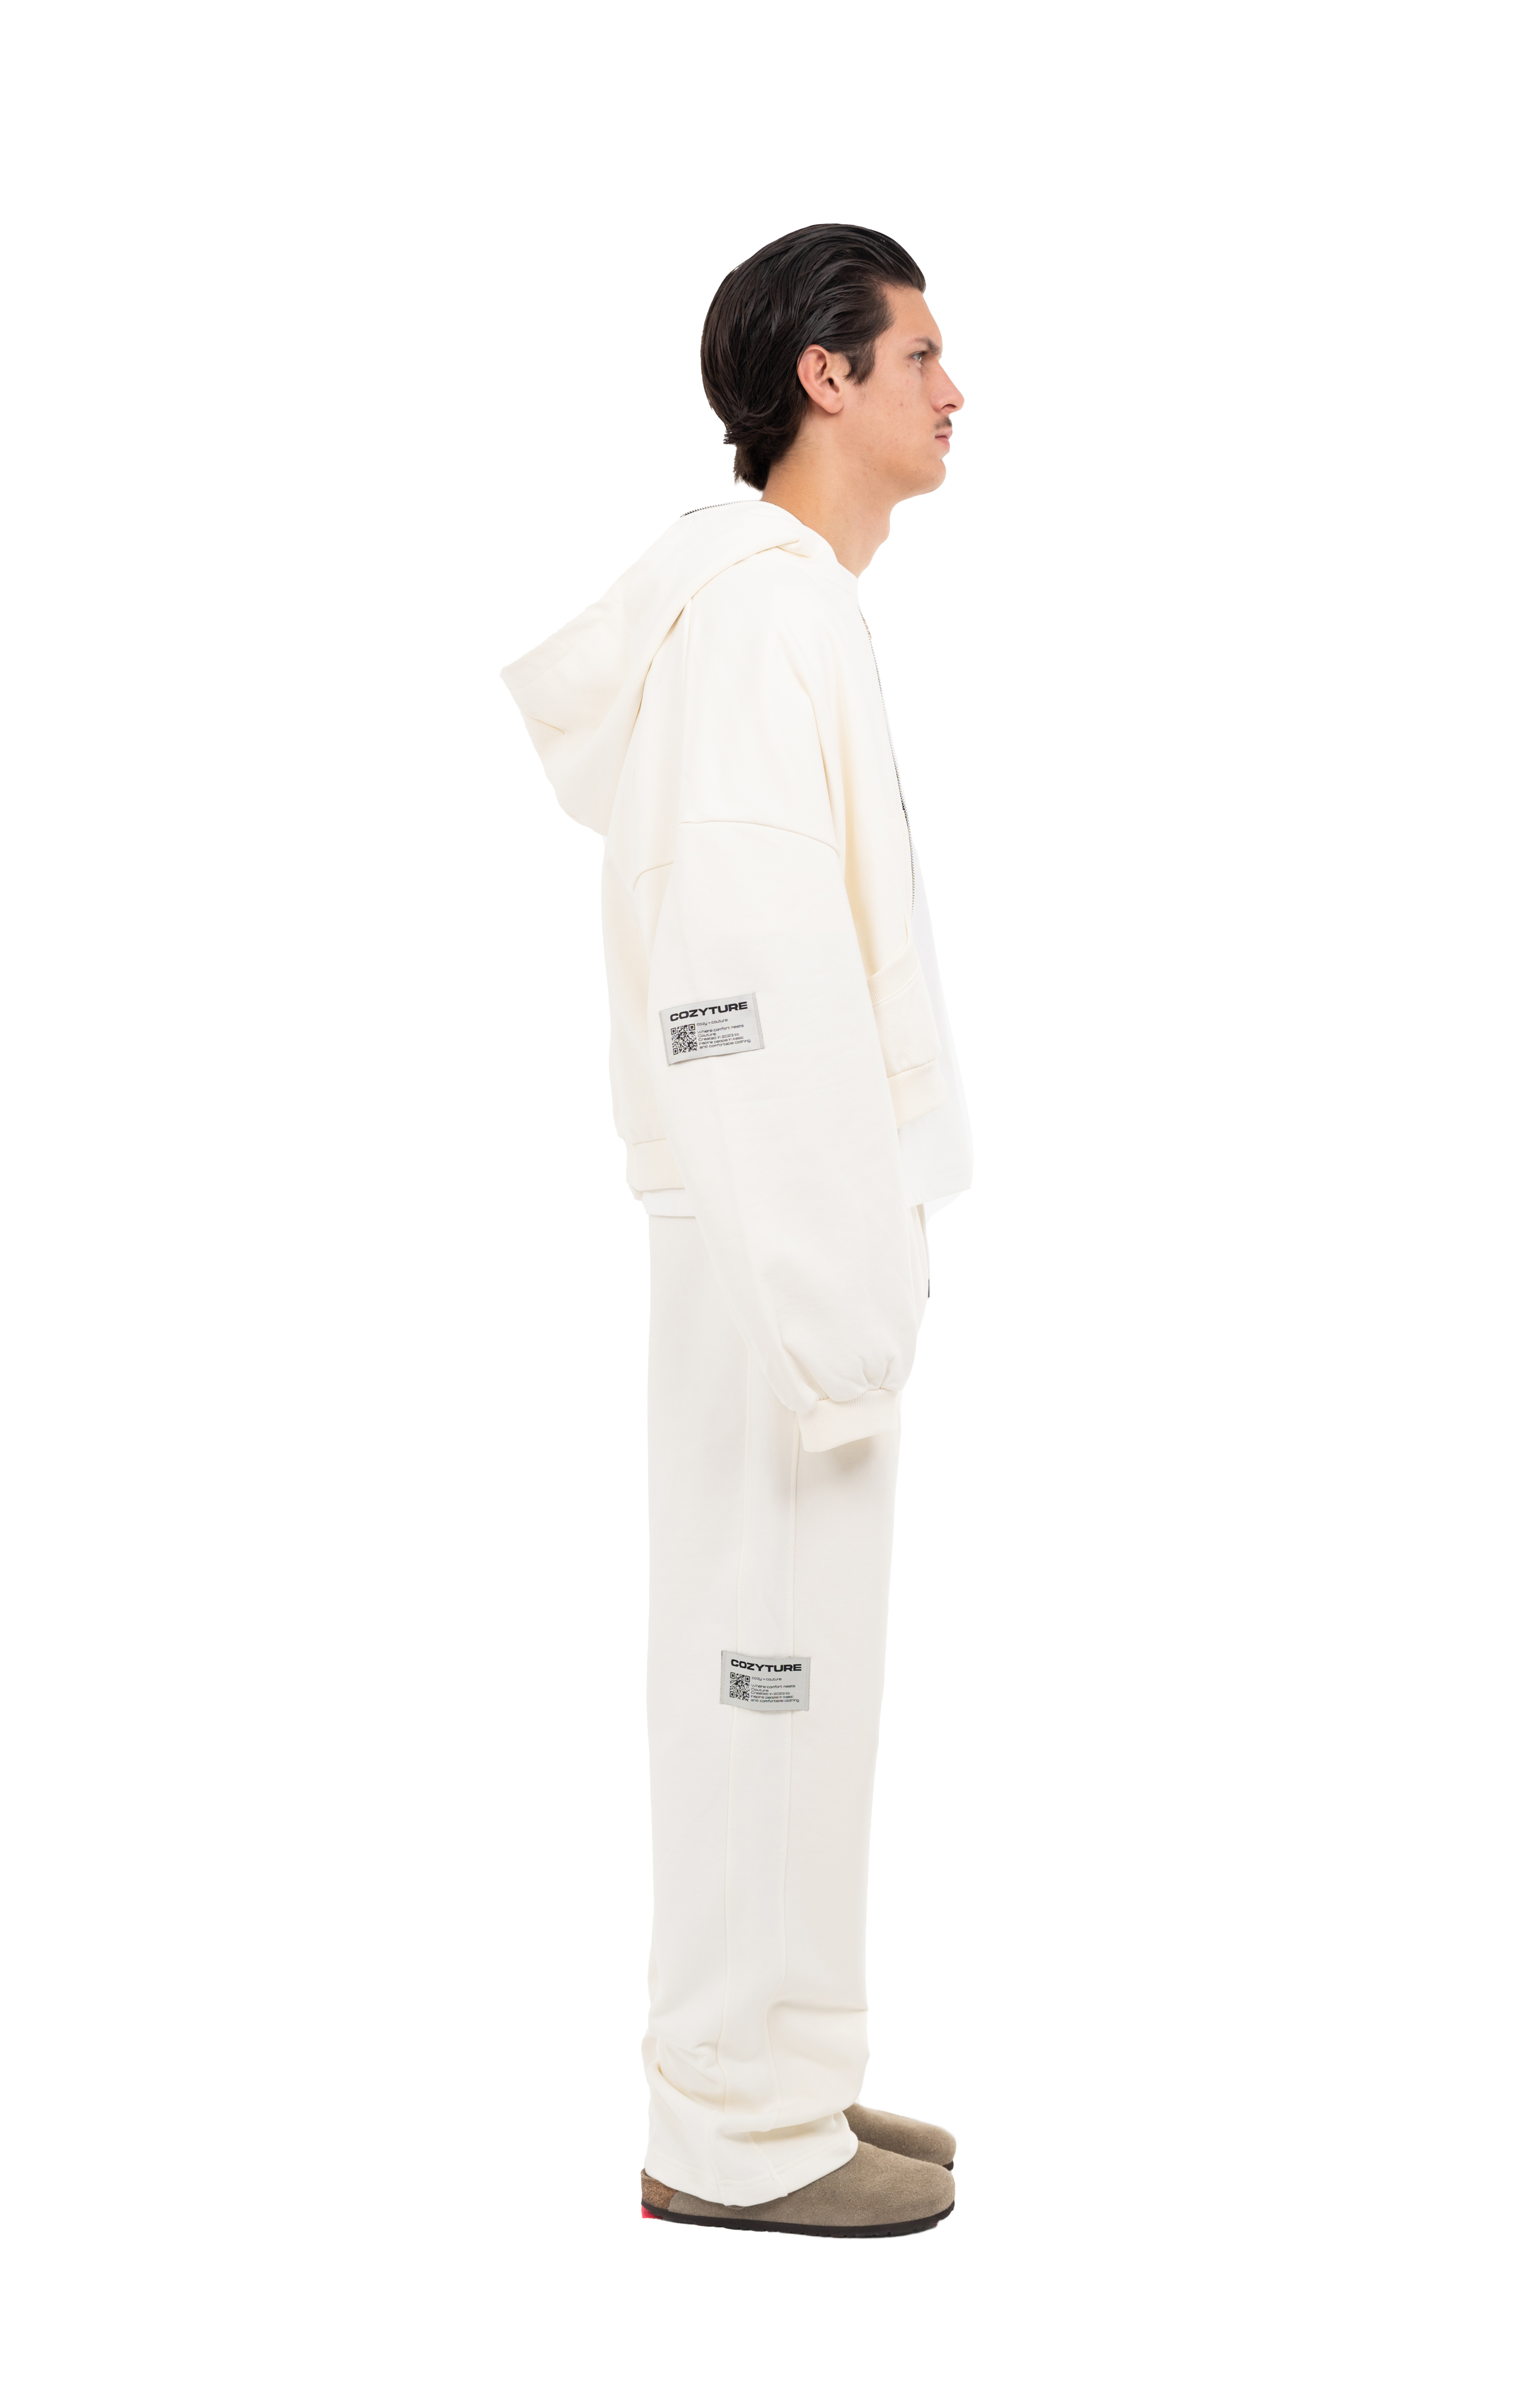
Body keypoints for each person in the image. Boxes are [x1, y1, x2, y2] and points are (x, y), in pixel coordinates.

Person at [503, 224, 971, 2236]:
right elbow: (743, 978)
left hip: (789, 1218)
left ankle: (782, 2075)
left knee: (795, 1667)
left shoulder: (783, 610)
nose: (956, 391)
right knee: (758, 1669)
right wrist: (832, 1283)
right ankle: (727, 2131)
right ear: (822, 378)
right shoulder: (762, 616)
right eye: (920, 354)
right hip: (779, 1231)